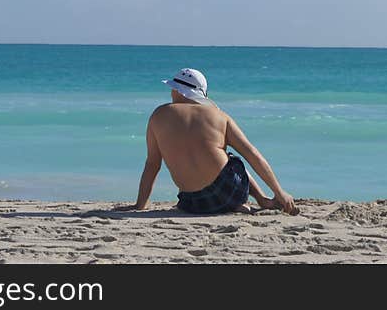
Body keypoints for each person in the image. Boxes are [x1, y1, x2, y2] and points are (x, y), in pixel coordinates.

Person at [118, 68, 298, 215]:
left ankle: (234, 206)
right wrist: (279, 192)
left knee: (217, 165)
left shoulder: (158, 116)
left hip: (191, 202)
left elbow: (152, 165)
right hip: (229, 191)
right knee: (233, 160)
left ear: (175, 90)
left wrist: (140, 205)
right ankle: (260, 199)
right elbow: (252, 154)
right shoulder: (219, 116)